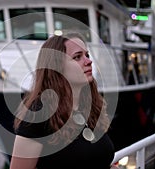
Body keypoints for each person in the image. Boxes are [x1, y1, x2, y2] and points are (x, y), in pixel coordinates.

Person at [10, 32, 118, 169]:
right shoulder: (39, 113)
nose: (88, 61)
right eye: (77, 57)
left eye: (87, 55)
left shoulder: (89, 106)